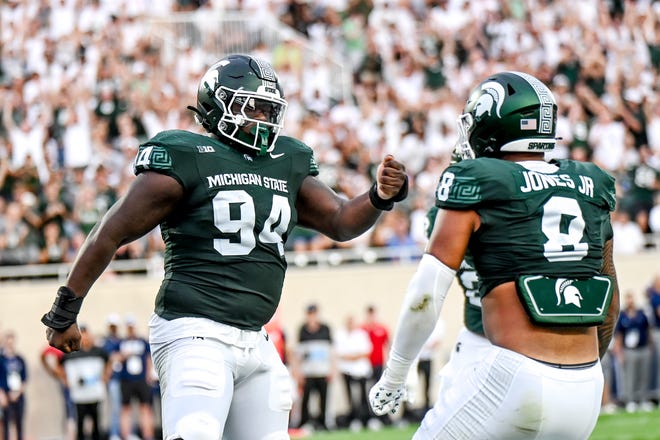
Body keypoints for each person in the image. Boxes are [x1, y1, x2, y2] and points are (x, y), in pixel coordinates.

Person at [40, 53, 408, 440]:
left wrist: (379, 196)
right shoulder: (187, 155)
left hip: (256, 338)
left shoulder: (287, 159)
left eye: (270, 110)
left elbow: (340, 220)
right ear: (217, 105)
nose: (264, 119)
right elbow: (109, 232)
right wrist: (65, 310)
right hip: (195, 331)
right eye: (254, 108)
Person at [369, 71, 620, 439]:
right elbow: (609, 302)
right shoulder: (591, 183)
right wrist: (578, 372)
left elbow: (427, 291)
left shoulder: (479, 178)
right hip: (587, 385)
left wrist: (395, 373)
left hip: (519, 374)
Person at [59, 326, 112, 440]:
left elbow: (109, 362)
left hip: (95, 393)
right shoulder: (71, 353)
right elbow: (59, 365)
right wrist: (65, 380)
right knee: (80, 422)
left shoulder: (99, 352)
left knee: (96, 421)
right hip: (79, 395)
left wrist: (106, 376)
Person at [295, 304, 334, 431]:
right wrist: (298, 373)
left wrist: (332, 370)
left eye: (314, 314)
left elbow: (332, 351)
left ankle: (323, 422)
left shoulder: (325, 329)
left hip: (323, 371)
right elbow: (299, 354)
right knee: (305, 399)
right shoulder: (302, 330)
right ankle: (305, 422)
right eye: (310, 314)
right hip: (308, 372)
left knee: (324, 398)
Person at [0, 332, 27, 440]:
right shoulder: (1, 360)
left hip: (18, 395)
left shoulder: (20, 359)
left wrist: (18, 392)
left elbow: (24, 378)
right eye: (8, 342)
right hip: (5, 396)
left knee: (19, 424)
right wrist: (2, 395)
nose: (10, 345)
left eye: (12, 342)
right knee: (6, 425)